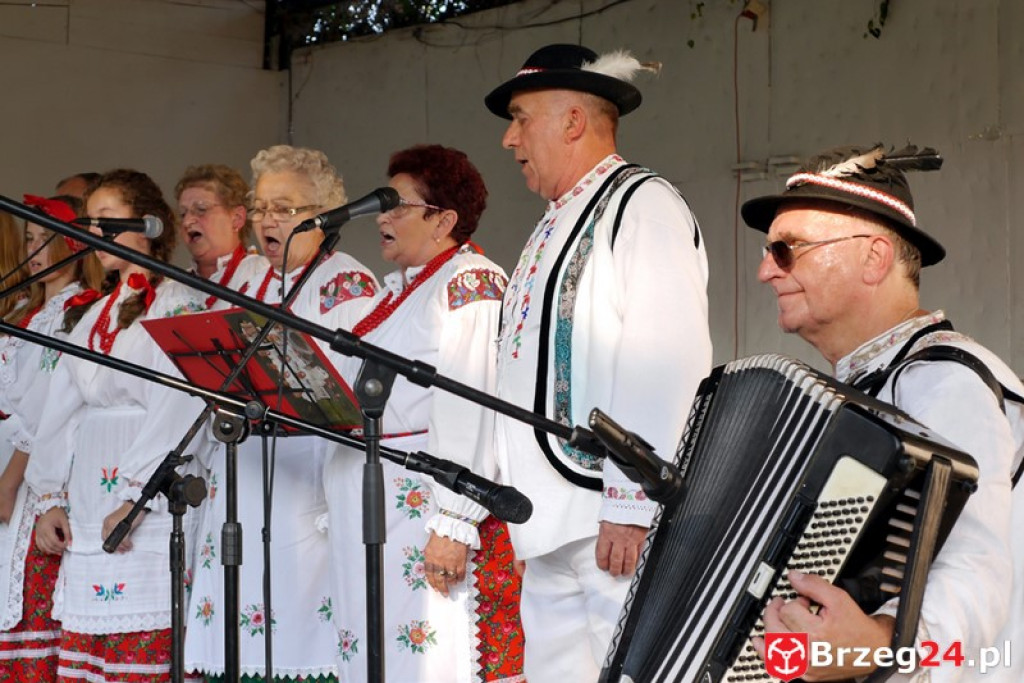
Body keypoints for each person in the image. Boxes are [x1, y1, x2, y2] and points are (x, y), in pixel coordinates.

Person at [742, 143, 1024, 681]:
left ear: (874, 257)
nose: (765, 272)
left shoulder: (945, 378)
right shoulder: (864, 386)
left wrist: (876, 646)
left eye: (786, 249)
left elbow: (975, 573)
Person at [484, 44, 712, 681]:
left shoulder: (642, 203)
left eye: (521, 117)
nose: (509, 139)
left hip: (608, 516)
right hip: (553, 522)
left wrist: (632, 501)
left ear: (573, 121)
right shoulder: (556, 220)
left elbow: (665, 355)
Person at [322, 143, 522, 682]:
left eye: (398, 205)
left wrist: (454, 522)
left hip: (424, 508)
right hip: (377, 508)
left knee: (434, 654)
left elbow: (470, 397)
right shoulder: (397, 291)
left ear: (444, 220)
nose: (383, 218)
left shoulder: (469, 281)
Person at [184, 145, 377, 683]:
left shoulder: (347, 285)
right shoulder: (254, 283)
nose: (269, 220)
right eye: (261, 206)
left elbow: (347, 391)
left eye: (285, 209)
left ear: (322, 215)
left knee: (293, 635)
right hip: (247, 473)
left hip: (303, 481)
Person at [25, 170, 211, 682]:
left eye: (109, 221)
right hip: (86, 498)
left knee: (140, 643)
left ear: (149, 225)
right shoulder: (93, 315)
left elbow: (177, 406)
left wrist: (136, 497)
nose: (97, 233)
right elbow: (60, 410)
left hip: (143, 497)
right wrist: (48, 498)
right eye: (92, 222)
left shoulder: (179, 302)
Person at [0, 195, 103, 679]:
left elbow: (46, 414)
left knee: (27, 594)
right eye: (31, 239)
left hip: (29, 474)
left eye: (47, 239)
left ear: (74, 245)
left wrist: (10, 482)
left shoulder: (76, 311)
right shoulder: (24, 306)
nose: (36, 250)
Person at [174, 164, 266, 302]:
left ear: (237, 218)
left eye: (201, 209)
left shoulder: (265, 275)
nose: (187, 222)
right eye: (182, 214)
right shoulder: (170, 292)